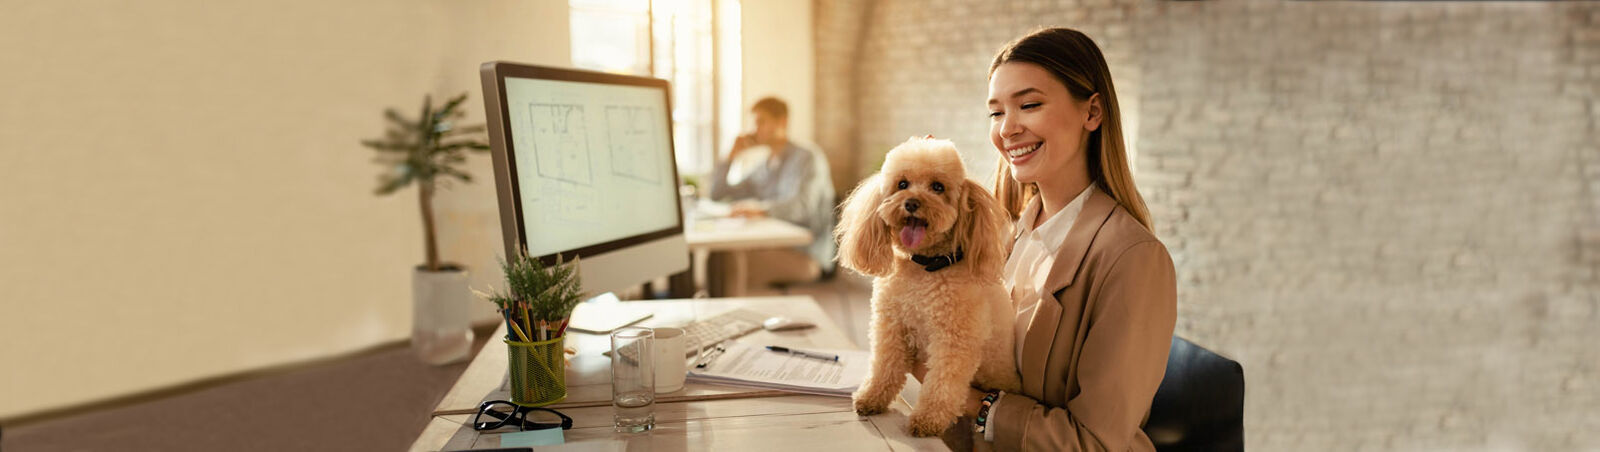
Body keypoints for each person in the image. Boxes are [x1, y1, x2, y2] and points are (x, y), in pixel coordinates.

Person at [924, 28, 1177, 451]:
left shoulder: (1133, 258)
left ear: (1092, 112)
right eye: (995, 112)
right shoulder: (1006, 231)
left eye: (1029, 105)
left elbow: (1094, 442)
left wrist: (969, 402)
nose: (1007, 129)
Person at [707, 97, 836, 289]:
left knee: (730, 262)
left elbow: (802, 206)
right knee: (718, 255)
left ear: (782, 122)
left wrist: (760, 209)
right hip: (772, 245)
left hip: (807, 254)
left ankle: (733, 312)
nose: (754, 129)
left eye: (760, 122)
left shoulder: (808, 157)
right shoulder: (764, 165)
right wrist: (730, 157)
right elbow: (718, 194)